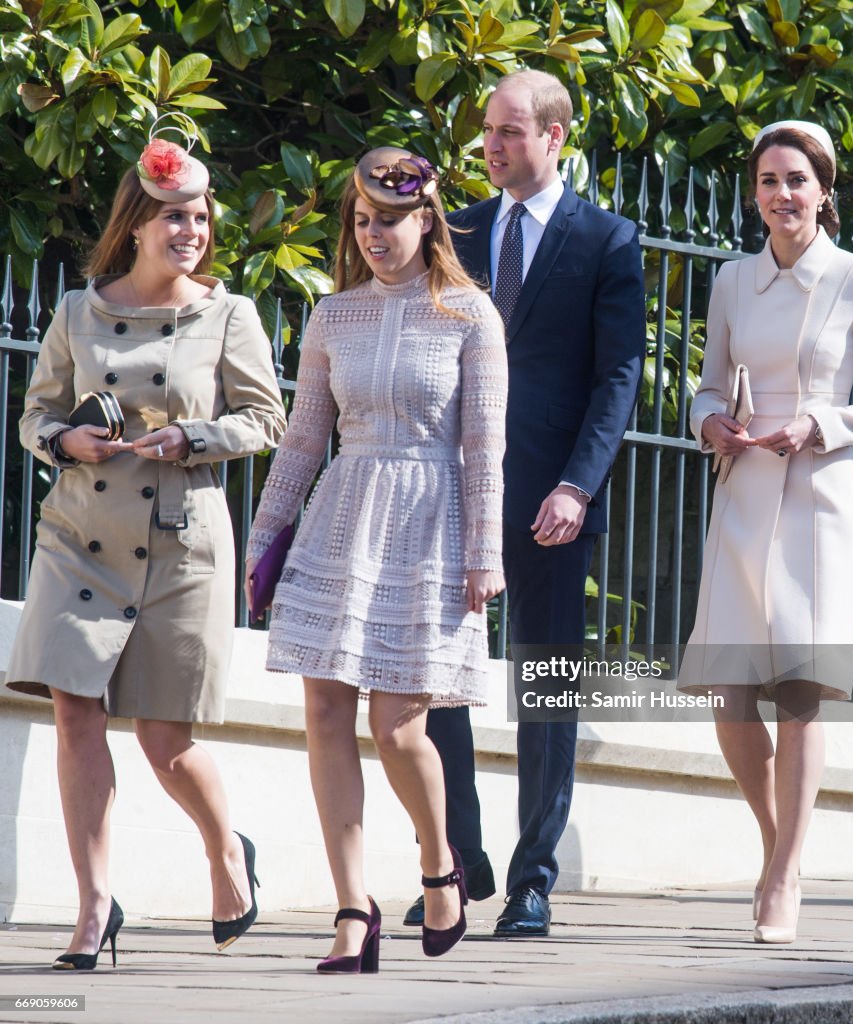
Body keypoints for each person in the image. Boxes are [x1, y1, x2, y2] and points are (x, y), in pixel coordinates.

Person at [5, 122, 287, 969]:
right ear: (136, 221)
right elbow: (33, 416)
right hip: (79, 539)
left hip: (180, 542)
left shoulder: (227, 313)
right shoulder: (77, 311)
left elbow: (263, 419)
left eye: (199, 218)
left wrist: (192, 439)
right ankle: (94, 908)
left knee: (169, 741)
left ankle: (226, 853)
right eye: (173, 216)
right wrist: (65, 443)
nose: (189, 232)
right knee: (74, 715)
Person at [244, 147, 507, 972]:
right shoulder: (332, 316)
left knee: (398, 730)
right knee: (324, 713)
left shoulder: (471, 315)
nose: (372, 235)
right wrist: (263, 542)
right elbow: (300, 439)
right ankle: (351, 910)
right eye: (361, 222)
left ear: (427, 218)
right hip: (341, 516)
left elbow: (484, 449)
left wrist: (485, 553)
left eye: (387, 220)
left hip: (431, 523)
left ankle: (439, 866)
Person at [405, 69, 646, 937]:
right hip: (449, 495)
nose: (491, 146)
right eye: (486, 130)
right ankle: (458, 864)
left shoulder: (607, 239)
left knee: (544, 687)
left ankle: (531, 879)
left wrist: (578, 485)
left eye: (509, 131)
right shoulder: (454, 230)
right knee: (439, 683)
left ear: (554, 137)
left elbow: (619, 376)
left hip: (553, 497)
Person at [679, 120, 853, 943]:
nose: (782, 194)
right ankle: (777, 844)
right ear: (755, 193)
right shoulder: (732, 281)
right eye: (768, 180)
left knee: (799, 695)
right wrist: (712, 426)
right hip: (743, 493)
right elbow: (706, 388)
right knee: (726, 693)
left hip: (819, 499)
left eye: (796, 180)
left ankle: (782, 878)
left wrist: (817, 425)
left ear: (823, 191)